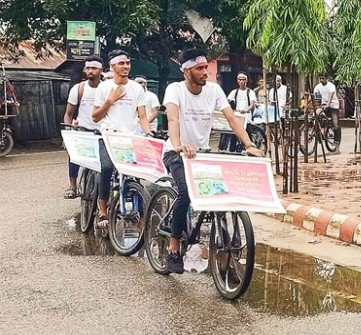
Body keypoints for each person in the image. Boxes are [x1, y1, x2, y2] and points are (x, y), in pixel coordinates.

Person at [162, 48, 264, 273]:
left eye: (205, 67)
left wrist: (249, 145)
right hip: (176, 152)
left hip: (202, 152)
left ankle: (226, 262)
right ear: (186, 70)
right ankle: (173, 247)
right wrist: (178, 144)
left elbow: (232, 119)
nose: (204, 72)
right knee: (185, 194)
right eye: (199, 68)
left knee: (219, 192)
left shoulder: (214, 90)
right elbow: (172, 118)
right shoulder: (174, 90)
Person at [92, 49, 153, 229]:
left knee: (136, 174)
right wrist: (110, 100)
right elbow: (95, 116)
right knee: (107, 168)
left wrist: (148, 133)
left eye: (127, 63)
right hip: (109, 136)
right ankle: (102, 208)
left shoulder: (136, 88)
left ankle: (142, 216)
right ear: (112, 66)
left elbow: (142, 116)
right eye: (121, 63)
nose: (125, 66)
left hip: (130, 139)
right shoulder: (104, 88)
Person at [62, 55, 103, 199]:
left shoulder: (107, 88)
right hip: (83, 131)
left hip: (103, 133)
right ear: (85, 70)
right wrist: (68, 132)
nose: (91, 71)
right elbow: (68, 114)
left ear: (101, 70)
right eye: (88, 68)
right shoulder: (78, 89)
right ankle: (72, 185)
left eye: (94, 68)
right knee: (73, 157)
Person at [219, 72, 256, 151]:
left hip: (246, 117)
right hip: (237, 116)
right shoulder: (234, 92)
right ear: (237, 81)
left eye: (243, 79)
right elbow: (227, 101)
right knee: (234, 133)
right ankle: (232, 150)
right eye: (240, 80)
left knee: (247, 134)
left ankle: (250, 149)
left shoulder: (250, 92)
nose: (241, 81)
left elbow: (252, 104)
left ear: (246, 81)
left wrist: (247, 109)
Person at [313, 74, 341, 150]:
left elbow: (331, 95)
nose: (321, 80)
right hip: (323, 105)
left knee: (336, 125)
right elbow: (317, 98)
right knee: (315, 115)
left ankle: (337, 143)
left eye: (323, 78)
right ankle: (319, 132)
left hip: (333, 105)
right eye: (320, 78)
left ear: (326, 78)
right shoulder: (317, 87)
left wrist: (328, 104)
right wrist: (317, 106)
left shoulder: (331, 86)